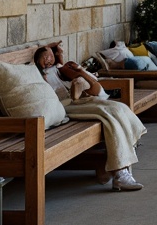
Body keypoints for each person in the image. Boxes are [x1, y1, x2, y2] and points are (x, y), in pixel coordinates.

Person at [33, 42, 146, 191]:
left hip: (79, 100)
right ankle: (120, 174)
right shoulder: (36, 73)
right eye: (45, 56)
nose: (49, 59)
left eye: (51, 55)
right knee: (110, 117)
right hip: (64, 106)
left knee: (120, 108)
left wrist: (68, 63)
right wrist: (44, 67)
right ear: (37, 60)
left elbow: (92, 84)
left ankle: (121, 168)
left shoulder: (59, 69)